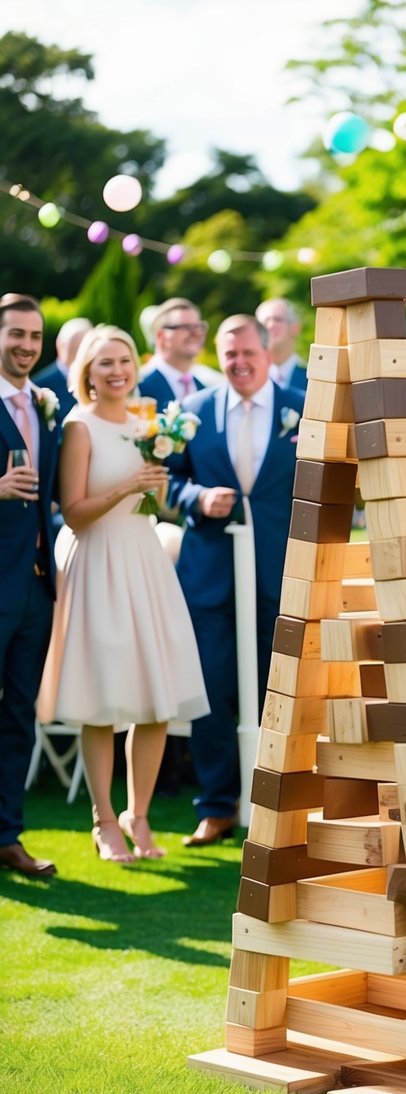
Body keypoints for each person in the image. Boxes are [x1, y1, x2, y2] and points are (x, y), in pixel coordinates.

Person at [39, 326, 209, 862]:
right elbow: (73, 513)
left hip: (144, 559)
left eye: (124, 361)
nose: (117, 371)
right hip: (99, 562)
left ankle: (139, 814)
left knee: (156, 700)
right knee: (103, 700)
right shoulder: (78, 426)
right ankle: (103, 820)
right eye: (105, 363)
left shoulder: (149, 421)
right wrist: (125, 488)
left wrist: (157, 484)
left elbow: (160, 505)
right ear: (87, 372)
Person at [168, 315, 303, 846]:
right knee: (211, 688)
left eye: (249, 353)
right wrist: (195, 499)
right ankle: (218, 806)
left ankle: (283, 806)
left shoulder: (302, 407)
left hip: (284, 569)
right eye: (230, 356)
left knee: (283, 689)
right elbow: (169, 479)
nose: (240, 363)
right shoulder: (192, 412)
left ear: (268, 352)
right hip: (210, 572)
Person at [0, 294, 60, 878]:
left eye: (34, 336)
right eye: (15, 334)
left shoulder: (43, 404)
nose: (25, 345)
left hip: (37, 589)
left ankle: (6, 836)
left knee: (20, 714)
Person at [139, 298, 209, 406]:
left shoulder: (203, 389)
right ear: (161, 336)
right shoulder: (140, 385)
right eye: (186, 327)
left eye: (198, 326)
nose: (195, 333)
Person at [34, 316, 92, 419]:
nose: (81, 352)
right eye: (76, 345)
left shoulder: (96, 381)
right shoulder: (38, 386)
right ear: (60, 344)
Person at [255, 298, 307, 394]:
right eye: (265, 321)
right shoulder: (250, 377)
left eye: (277, 320)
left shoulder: (311, 377)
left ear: (295, 328)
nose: (270, 325)